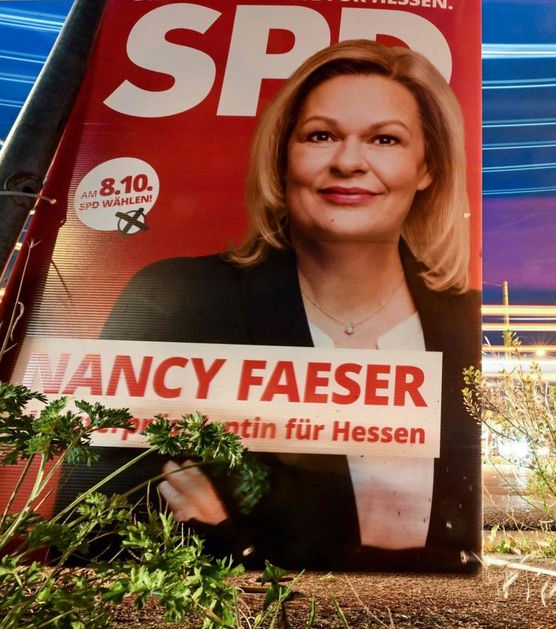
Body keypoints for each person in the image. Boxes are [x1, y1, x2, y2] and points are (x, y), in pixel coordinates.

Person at [92, 40, 480, 572]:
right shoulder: (178, 298)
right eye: (321, 135)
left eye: (385, 139)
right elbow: (94, 522)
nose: (348, 162)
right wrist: (242, 546)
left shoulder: (464, 321)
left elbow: (459, 549)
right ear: (283, 156)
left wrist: (234, 522)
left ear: (427, 168)